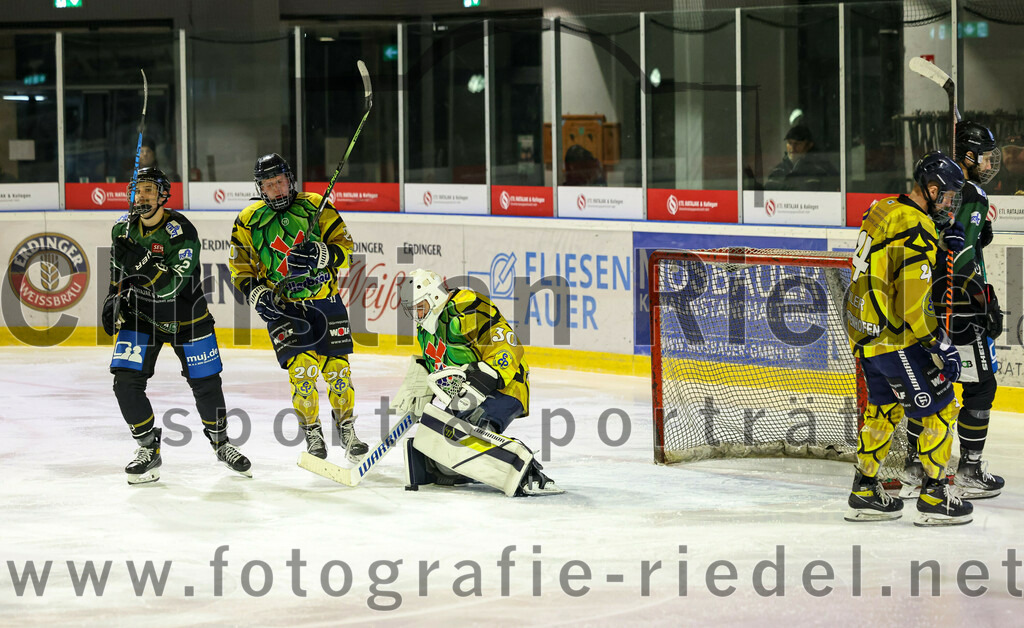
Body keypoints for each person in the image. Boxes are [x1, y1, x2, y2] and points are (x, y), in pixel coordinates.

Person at [843, 151, 972, 526]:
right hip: (895, 337)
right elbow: (914, 307)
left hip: (865, 330)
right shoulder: (917, 230)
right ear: (931, 190)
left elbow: (892, 251)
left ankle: (865, 488)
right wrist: (940, 345)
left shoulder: (882, 208)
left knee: (884, 409)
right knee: (941, 407)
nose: (949, 205)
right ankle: (935, 495)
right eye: (946, 196)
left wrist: (938, 240)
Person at [102, 167, 251, 484]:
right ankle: (147, 448)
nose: (142, 196)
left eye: (149, 191)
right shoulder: (122, 229)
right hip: (141, 316)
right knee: (124, 381)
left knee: (207, 384)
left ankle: (222, 443)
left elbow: (171, 286)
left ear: (162, 196)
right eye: (138, 190)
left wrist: (141, 262)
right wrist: (111, 297)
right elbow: (117, 271)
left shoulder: (181, 231)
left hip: (187, 317)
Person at [228, 153, 367, 462]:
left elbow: (345, 247)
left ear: (289, 180)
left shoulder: (315, 205)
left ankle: (346, 428)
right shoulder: (249, 220)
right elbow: (240, 267)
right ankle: (313, 432)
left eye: (280, 182)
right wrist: (257, 295)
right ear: (260, 188)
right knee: (302, 372)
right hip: (284, 308)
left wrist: (321, 253)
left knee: (338, 371)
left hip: (325, 301)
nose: (276, 190)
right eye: (269, 185)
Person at [901, 122, 1005, 499]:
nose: (990, 163)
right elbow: (962, 261)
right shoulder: (971, 192)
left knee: (929, 383)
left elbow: (943, 239)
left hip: (924, 302)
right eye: (985, 156)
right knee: (980, 387)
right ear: (968, 155)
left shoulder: (933, 190)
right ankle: (969, 471)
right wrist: (983, 300)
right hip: (959, 306)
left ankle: (914, 465)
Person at [391, 269, 560, 496]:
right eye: (412, 310)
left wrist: (482, 379)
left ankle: (530, 473)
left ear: (434, 297)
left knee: (476, 426)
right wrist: (418, 388)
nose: (416, 315)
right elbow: (434, 364)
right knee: (444, 448)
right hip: (468, 393)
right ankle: (458, 469)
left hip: (506, 384)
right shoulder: (426, 330)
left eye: (419, 307)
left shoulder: (465, 308)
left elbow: (507, 344)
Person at [765, 124, 839, 191]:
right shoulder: (778, 170)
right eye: (789, 143)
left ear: (810, 145)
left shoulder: (822, 169)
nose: (792, 148)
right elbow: (767, 194)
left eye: (798, 144)